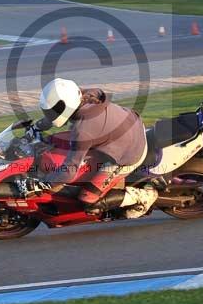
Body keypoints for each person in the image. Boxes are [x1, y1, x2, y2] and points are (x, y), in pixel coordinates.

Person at [37, 78, 157, 219]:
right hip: (132, 123)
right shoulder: (89, 95)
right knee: (58, 140)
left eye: (51, 111)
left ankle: (144, 196)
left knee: (88, 200)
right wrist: (37, 126)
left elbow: (69, 171)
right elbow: (57, 115)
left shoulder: (83, 131)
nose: (50, 113)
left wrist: (45, 183)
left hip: (130, 152)